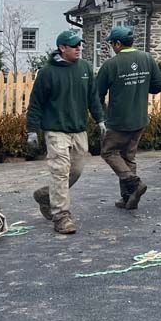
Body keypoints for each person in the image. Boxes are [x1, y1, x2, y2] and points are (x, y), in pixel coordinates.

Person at [26, 30, 105, 235]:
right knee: (60, 170)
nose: (79, 48)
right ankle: (61, 216)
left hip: (78, 129)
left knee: (75, 171)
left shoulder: (85, 68)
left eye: (80, 45)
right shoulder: (47, 73)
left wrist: (101, 120)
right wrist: (32, 131)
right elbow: (36, 104)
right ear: (62, 48)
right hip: (55, 130)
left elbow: (93, 98)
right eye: (74, 45)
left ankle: (47, 196)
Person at [94, 25, 161, 211]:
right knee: (128, 156)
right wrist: (141, 87)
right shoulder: (147, 58)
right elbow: (160, 85)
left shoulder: (111, 65)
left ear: (118, 44)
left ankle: (134, 184)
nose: (112, 47)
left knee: (109, 152)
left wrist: (101, 115)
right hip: (139, 118)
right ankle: (129, 198)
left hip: (119, 121)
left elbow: (96, 95)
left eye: (112, 43)